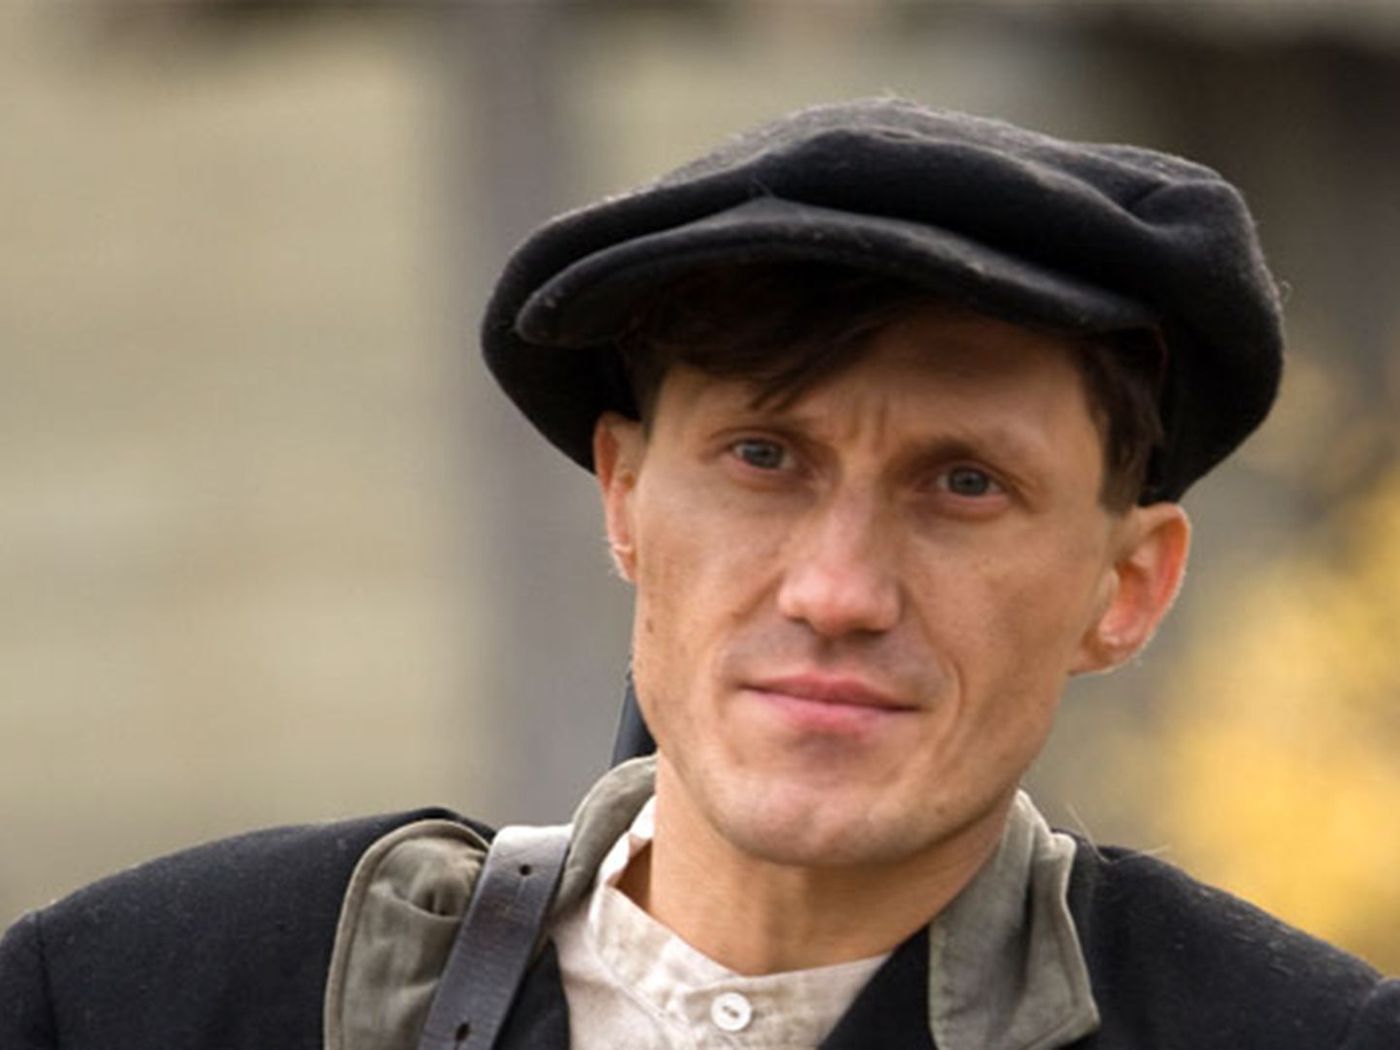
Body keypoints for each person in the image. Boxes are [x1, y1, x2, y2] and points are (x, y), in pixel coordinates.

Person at [2, 98, 1396, 1050]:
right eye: (763, 456)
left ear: (1127, 586)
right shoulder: (142, 996)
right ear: (622, 493)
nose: (837, 592)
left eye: (965, 483)